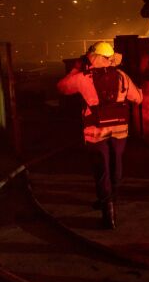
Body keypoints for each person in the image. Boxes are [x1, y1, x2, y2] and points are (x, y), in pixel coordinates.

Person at [57, 41, 143, 229]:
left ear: (92, 57)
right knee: (116, 162)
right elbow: (138, 98)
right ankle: (113, 197)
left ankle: (107, 210)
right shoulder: (121, 76)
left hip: (95, 131)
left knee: (102, 168)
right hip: (120, 129)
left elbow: (61, 87)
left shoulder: (83, 77)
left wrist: (75, 69)